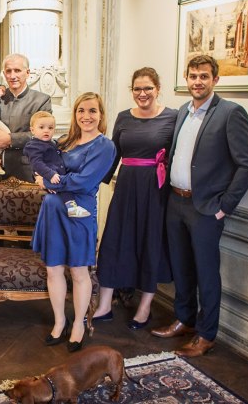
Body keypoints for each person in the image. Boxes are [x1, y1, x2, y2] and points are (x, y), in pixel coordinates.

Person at [151, 55, 248, 358]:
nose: (197, 82)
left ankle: (206, 334)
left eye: (204, 76)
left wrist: (225, 206)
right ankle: (184, 319)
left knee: (207, 274)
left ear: (215, 80)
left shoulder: (230, 113)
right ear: (186, 78)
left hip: (206, 208)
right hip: (176, 202)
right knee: (182, 267)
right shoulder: (183, 112)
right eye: (193, 76)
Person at [32, 92, 116, 353]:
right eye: (81, 110)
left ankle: (79, 324)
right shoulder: (64, 141)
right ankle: (60, 322)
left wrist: (49, 181)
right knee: (53, 270)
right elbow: (39, 161)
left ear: (101, 115)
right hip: (53, 211)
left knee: (79, 271)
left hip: (80, 213)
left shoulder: (105, 146)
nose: (86, 116)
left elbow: (85, 181)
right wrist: (40, 176)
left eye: (92, 111)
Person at [94, 67, 178, 330]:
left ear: (158, 89)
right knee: (114, 240)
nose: (142, 93)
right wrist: (91, 184)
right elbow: (113, 155)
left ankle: (144, 308)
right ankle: (104, 305)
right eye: (137, 89)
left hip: (156, 189)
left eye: (148, 88)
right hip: (126, 187)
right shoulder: (123, 117)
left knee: (150, 243)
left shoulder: (173, 117)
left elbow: (177, 155)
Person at [0, 53, 52, 182]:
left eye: (17, 70)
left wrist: (10, 139)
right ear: (4, 74)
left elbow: (44, 135)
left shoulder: (41, 100)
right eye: (8, 71)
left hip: (29, 171)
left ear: (27, 73)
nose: (12, 76)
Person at [24, 111, 90, 218]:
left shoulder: (52, 142)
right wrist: (50, 175)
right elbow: (36, 163)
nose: (46, 130)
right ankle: (72, 208)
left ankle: (72, 208)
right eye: (41, 127)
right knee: (64, 187)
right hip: (51, 175)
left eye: (50, 128)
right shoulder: (33, 146)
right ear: (32, 130)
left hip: (58, 174)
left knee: (66, 189)